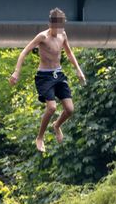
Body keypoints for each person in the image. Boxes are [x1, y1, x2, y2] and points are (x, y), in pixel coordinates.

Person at [9, 8, 87, 152]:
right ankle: (40, 137)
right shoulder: (42, 37)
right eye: (55, 27)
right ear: (50, 24)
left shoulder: (63, 34)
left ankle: (57, 125)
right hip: (44, 77)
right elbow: (24, 51)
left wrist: (79, 70)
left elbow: (69, 53)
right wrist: (16, 72)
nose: (57, 30)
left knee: (70, 110)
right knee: (52, 107)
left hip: (58, 74)